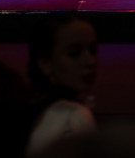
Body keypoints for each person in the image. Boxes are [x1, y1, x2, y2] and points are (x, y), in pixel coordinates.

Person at [26, 13, 99, 156]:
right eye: (74, 54)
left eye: (93, 51)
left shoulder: (28, 105)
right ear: (45, 63)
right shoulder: (72, 116)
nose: (90, 61)